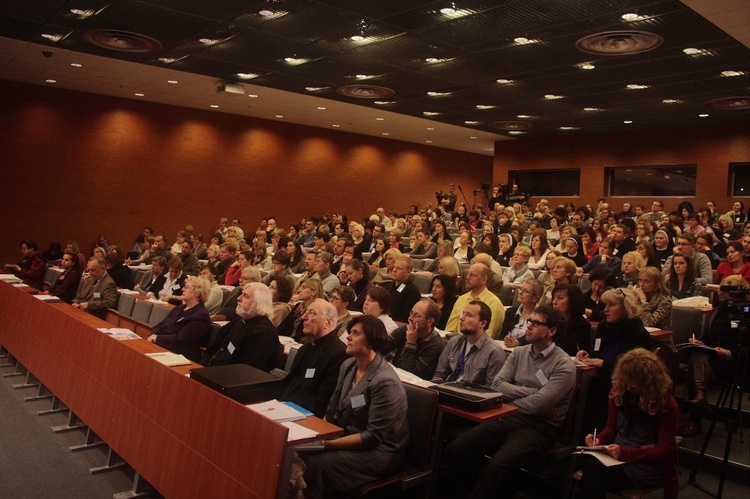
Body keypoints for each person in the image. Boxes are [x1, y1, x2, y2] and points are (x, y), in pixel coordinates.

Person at [443, 305, 576, 498]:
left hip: (540, 428)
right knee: (456, 449)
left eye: (536, 323)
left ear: (552, 331)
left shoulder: (564, 365)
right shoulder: (519, 353)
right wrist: (534, 392)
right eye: (529, 321)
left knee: (497, 466)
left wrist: (517, 401)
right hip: (507, 417)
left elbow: (538, 405)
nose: (528, 326)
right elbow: (497, 385)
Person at [578, 348, 679, 499]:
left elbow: (663, 451)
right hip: (617, 454)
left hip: (643, 465)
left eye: (633, 385)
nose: (629, 388)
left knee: (592, 472)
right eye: (626, 383)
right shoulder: (619, 391)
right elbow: (611, 429)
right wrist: (600, 439)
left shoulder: (667, 405)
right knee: (589, 464)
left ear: (648, 384)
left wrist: (625, 453)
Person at [680, 276, 748, 436]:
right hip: (711, 357)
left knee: (696, 364)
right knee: (697, 356)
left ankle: (695, 415)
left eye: (729, 295)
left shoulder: (745, 313)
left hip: (734, 361)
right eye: (723, 293)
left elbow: (746, 346)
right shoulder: (719, 309)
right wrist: (699, 341)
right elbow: (709, 336)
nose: (725, 298)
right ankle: (699, 395)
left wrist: (727, 353)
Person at [576, 288, 653, 428]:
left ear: (625, 308)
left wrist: (603, 364)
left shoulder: (637, 333)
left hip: (624, 386)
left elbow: (634, 371)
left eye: (611, 305)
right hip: (600, 378)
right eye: (606, 305)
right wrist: (588, 355)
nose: (606, 309)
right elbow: (597, 352)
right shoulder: (604, 326)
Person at [279, 299, 350, 417]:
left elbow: (322, 400)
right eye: (306, 312)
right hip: (286, 407)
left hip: (306, 414)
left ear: (328, 322)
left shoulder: (339, 354)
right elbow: (290, 383)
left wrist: (287, 409)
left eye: (312, 313)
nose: (303, 317)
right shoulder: (304, 349)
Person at [200, 283, 281, 370]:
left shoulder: (264, 332)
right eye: (241, 294)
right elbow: (212, 349)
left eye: (245, 296)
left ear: (258, 304)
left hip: (231, 379)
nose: (238, 298)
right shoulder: (237, 322)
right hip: (211, 372)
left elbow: (248, 370)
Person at [432, 300, 506, 386]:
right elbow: (439, 374)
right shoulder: (454, 342)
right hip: (446, 391)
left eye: (469, 315)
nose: (462, 318)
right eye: (463, 313)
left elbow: (491, 390)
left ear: (482, 323)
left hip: (470, 396)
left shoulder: (494, 352)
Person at [147, 276, 212, 363]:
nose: (182, 289)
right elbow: (160, 325)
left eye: (187, 287)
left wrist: (157, 338)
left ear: (197, 293)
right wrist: (154, 335)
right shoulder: (179, 308)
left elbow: (180, 340)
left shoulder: (201, 316)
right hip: (163, 347)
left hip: (181, 357)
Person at [383, 299, 445, 380]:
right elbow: (380, 348)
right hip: (393, 377)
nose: (410, 318)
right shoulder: (404, 330)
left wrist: (411, 343)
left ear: (429, 321)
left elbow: (410, 375)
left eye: (417, 315)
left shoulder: (436, 346)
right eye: (411, 313)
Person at [444, 263, 505, 339]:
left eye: (473, 275)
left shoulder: (494, 303)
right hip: (456, 343)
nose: (467, 278)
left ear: (484, 280)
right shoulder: (461, 299)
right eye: (468, 274)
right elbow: (449, 330)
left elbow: (489, 335)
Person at [550, 283, 592, 355]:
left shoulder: (582, 325)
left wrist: (558, 324)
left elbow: (570, 349)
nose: (554, 302)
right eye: (553, 298)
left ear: (572, 301)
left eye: (560, 298)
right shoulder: (550, 319)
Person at [501, 278, 543, 348]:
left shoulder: (541, 317)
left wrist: (518, 342)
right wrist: (507, 340)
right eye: (520, 289)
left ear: (535, 298)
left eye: (526, 291)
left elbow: (537, 339)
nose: (520, 293)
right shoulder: (511, 312)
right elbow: (502, 336)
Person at [380, 256, 421, 323]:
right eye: (394, 267)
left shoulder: (412, 291)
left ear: (408, 272)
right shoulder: (388, 286)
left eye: (399, 268)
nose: (394, 270)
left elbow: (405, 319)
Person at [634, 267, 673, 332]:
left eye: (646, 281)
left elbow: (649, 323)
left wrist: (643, 301)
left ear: (656, 284)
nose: (641, 284)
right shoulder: (637, 296)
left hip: (659, 340)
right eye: (640, 280)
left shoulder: (665, 301)